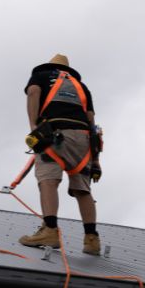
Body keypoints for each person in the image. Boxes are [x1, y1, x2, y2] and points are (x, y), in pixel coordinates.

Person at [18, 54, 102, 255]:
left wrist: (34, 128)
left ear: (50, 65)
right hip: (83, 139)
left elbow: (33, 93)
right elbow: (91, 120)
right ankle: (92, 240)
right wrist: (96, 158)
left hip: (54, 135)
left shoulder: (41, 75)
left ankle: (50, 230)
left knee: (49, 180)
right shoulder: (81, 86)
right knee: (83, 189)